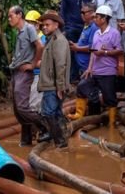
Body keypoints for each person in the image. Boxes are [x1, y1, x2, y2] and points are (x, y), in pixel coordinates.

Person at [7, 6, 49, 147]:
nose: (9, 19)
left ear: (19, 15)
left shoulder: (29, 29)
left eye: (11, 16)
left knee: (22, 107)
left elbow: (40, 47)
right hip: (17, 71)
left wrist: (33, 64)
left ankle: (45, 127)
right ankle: (26, 139)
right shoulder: (19, 32)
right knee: (17, 110)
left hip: (25, 73)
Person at [80, 5, 123, 126]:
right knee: (83, 88)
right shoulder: (96, 33)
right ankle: (94, 120)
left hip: (107, 72)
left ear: (104, 19)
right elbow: (93, 53)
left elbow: (119, 51)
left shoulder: (114, 33)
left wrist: (104, 52)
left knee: (110, 98)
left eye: (97, 17)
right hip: (95, 71)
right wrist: (89, 68)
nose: (94, 19)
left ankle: (111, 123)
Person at [38, 10, 71, 149]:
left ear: (56, 25)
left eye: (47, 24)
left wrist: (60, 87)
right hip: (52, 83)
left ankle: (60, 142)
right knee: (55, 112)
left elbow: (60, 65)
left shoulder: (58, 41)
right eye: (43, 25)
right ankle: (62, 139)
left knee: (48, 112)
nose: (44, 27)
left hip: (53, 85)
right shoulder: (52, 40)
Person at [60, 0, 93, 84]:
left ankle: (83, 74)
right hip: (70, 27)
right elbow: (62, 12)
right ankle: (72, 77)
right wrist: (63, 29)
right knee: (71, 51)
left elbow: (90, 11)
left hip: (84, 27)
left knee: (84, 50)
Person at [66, 3, 98, 119]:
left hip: (89, 66)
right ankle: (85, 114)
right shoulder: (86, 26)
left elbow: (92, 47)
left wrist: (77, 48)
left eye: (84, 13)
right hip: (82, 66)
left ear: (91, 13)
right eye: (81, 12)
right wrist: (75, 45)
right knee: (85, 89)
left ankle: (94, 116)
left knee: (85, 88)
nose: (82, 15)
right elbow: (83, 43)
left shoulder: (94, 27)